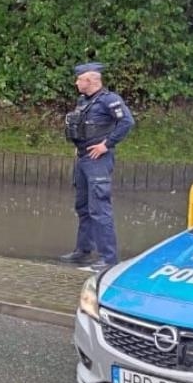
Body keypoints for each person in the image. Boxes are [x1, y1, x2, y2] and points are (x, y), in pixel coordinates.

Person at [60, 62, 135, 271]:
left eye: (79, 79)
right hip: (83, 159)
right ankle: (83, 251)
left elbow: (127, 122)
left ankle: (108, 258)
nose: (76, 83)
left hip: (98, 161)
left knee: (100, 209)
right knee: (83, 207)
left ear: (90, 80)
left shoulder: (109, 100)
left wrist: (106, 145)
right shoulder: (83, 101)